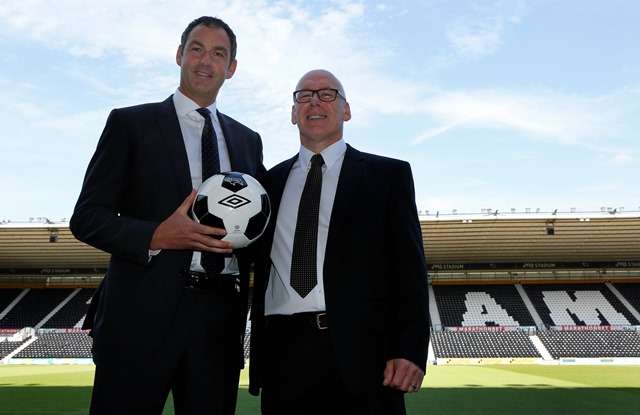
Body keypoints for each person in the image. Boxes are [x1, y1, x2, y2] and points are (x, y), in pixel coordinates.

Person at [70, 16, 265, 415]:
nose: (205, 61)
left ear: (232, 68)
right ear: (179, 55)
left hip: (219, 323)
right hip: (141, 318)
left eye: (218, 53)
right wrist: (156, 235)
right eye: (196, 48)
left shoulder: (248, 141)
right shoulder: (130, 124)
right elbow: (87, 216)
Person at [248, 69, 429, 415]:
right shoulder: (266, 184)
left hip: (364, 355)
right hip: (283, 354)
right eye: (304, 95)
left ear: (346, 110)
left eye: (327, 94)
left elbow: (409, 269)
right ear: (292, 113)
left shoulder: (388, 177)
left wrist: (410, 347)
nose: (314, 101)